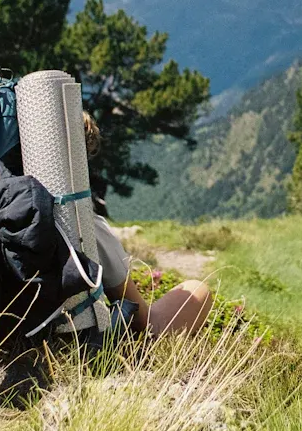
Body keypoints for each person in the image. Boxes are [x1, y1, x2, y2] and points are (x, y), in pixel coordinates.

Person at [82, 113, 214, 338]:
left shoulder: (2, 209)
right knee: (198, 290)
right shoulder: (86, 225)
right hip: (74, 339)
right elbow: (139, 319)